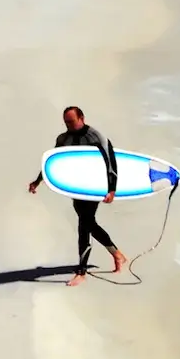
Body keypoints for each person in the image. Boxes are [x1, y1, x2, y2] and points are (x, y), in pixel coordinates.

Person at [27, 105, 126, 286]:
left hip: (95, 186)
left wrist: (111, 189)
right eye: (66, 122)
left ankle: (82, 271)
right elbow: (53, 164)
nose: (69, 125)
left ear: (82, 118)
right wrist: (38, 181)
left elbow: (111, 164)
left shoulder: (96, 137)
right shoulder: (63, 139)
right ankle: (116, 254)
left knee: (84, 224)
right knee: (89, 222)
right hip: (76, 188)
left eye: (72, 121)